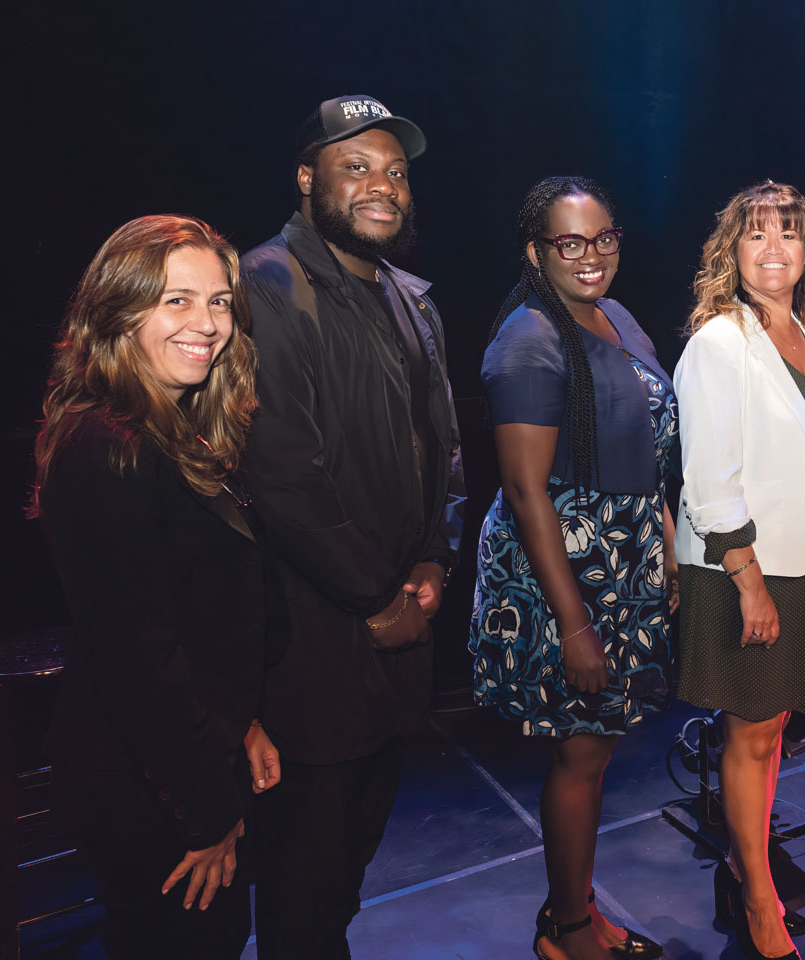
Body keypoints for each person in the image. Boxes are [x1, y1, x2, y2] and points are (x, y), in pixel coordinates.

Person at [238, 95, 466, 958]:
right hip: (313, 649)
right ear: (307, 180)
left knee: (345, 873)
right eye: (357, 167)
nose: (383, 185)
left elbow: (442, 444)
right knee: (303, 882)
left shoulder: (410, 297)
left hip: (398, 634)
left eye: (396, 172)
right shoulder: (266, 283)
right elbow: (285, 471)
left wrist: (436, 558)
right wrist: (377, 597)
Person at [31, 215, 279, 958]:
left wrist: (243, 722)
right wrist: (207, 813)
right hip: (148, 790)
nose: (207, 324)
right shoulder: (111, 447)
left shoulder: (170, 426)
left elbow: (199, 619)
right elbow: (140, 664)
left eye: (219, 302)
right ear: (118, 312)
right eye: (176, 301)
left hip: (181, 758)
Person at [471, 176, 674, 960]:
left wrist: (659, 540)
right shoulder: (529, 337)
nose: (591, 256)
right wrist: (576, 623)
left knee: (596, 749)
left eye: (604, 238)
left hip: (618, 562)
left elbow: (644, 442)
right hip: (562, 575)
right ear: (536, 250)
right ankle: (566, 931)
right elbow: (526, 493)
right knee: (579, 752)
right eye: (569, 242)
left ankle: (575, 910)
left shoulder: (612, 315)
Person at [672, 181, 805, 960]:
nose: (773, 250)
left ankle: (744, 856)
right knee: (751, 734)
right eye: (755, 236)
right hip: (747, 567)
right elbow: (708, 478)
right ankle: (758, 898)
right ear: (732, 253)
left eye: (788, 234)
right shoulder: (720, 342)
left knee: (774, 728)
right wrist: (749, 579)